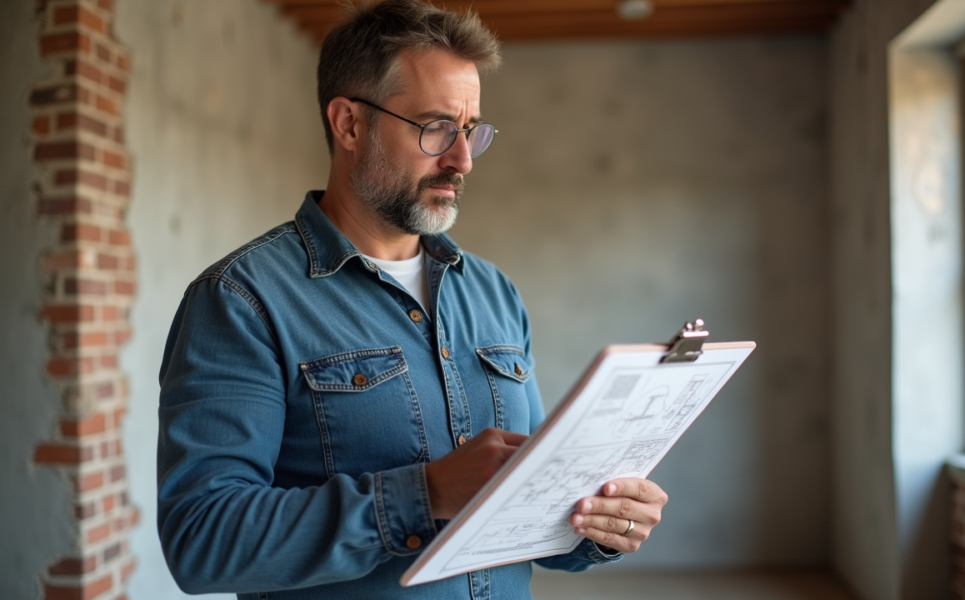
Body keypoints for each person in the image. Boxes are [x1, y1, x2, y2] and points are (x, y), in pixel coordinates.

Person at [156, 1, 669, 598]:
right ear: (349, 124)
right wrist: (423, 495)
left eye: (472, 129)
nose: (463, 159)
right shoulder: (241, 300)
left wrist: (598, 524)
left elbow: (527, 507)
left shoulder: (493, 292)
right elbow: (202, 541)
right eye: (436, 128)